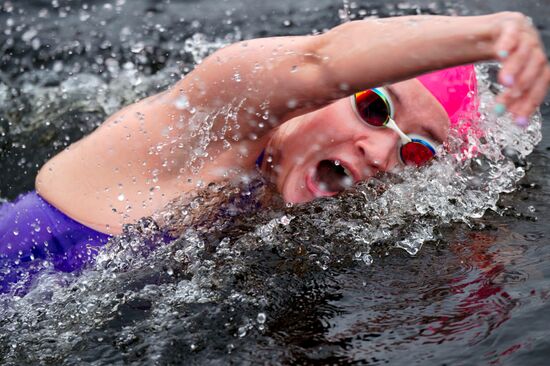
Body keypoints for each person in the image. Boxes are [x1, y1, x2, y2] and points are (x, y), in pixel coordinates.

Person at [1, 12, 549, 292]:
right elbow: (325, 57)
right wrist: (493, 34)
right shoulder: (216, 120)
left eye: (418, 152)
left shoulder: (287, 214)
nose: (382, 151)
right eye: (375, 107)